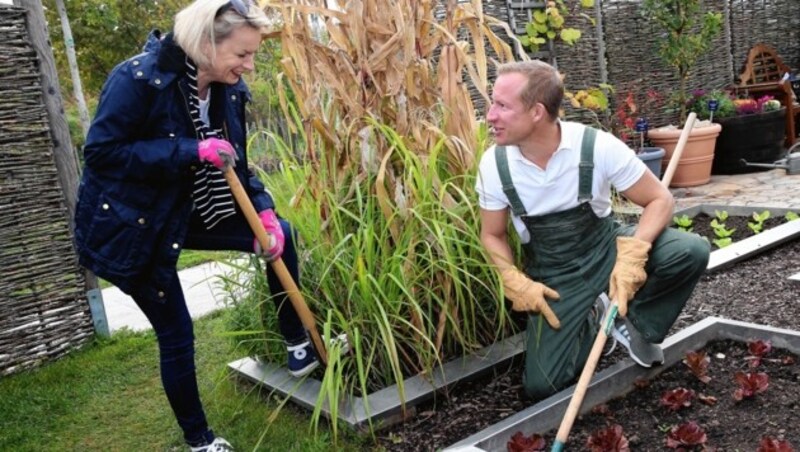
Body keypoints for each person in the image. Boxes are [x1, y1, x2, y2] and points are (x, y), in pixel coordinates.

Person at [73, 1, 319, 449]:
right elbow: (102, 155)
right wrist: (190, 149)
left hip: (188, 209)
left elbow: (238, 164)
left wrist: (262, 209)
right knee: (177, 331)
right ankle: (200, 440)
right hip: (135, 226)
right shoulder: (137, 80)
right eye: (242, 54)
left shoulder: (227, 89)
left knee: (279, 233)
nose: (248, 66)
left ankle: (297, 345)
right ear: (206, 43)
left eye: (252, 55)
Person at [475, 60, 710, 399]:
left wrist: (634, 252)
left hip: (606, 250)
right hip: (555, 276)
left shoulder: (595, 146)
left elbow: (660, 199)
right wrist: (512, 278)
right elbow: (492, 233)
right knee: (543, 387)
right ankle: (597, 315)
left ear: (537, 112)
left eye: (502, 105)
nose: (490, 115)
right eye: (492, 103)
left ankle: (637, 326)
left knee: (690, 251)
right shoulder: (494, 166)